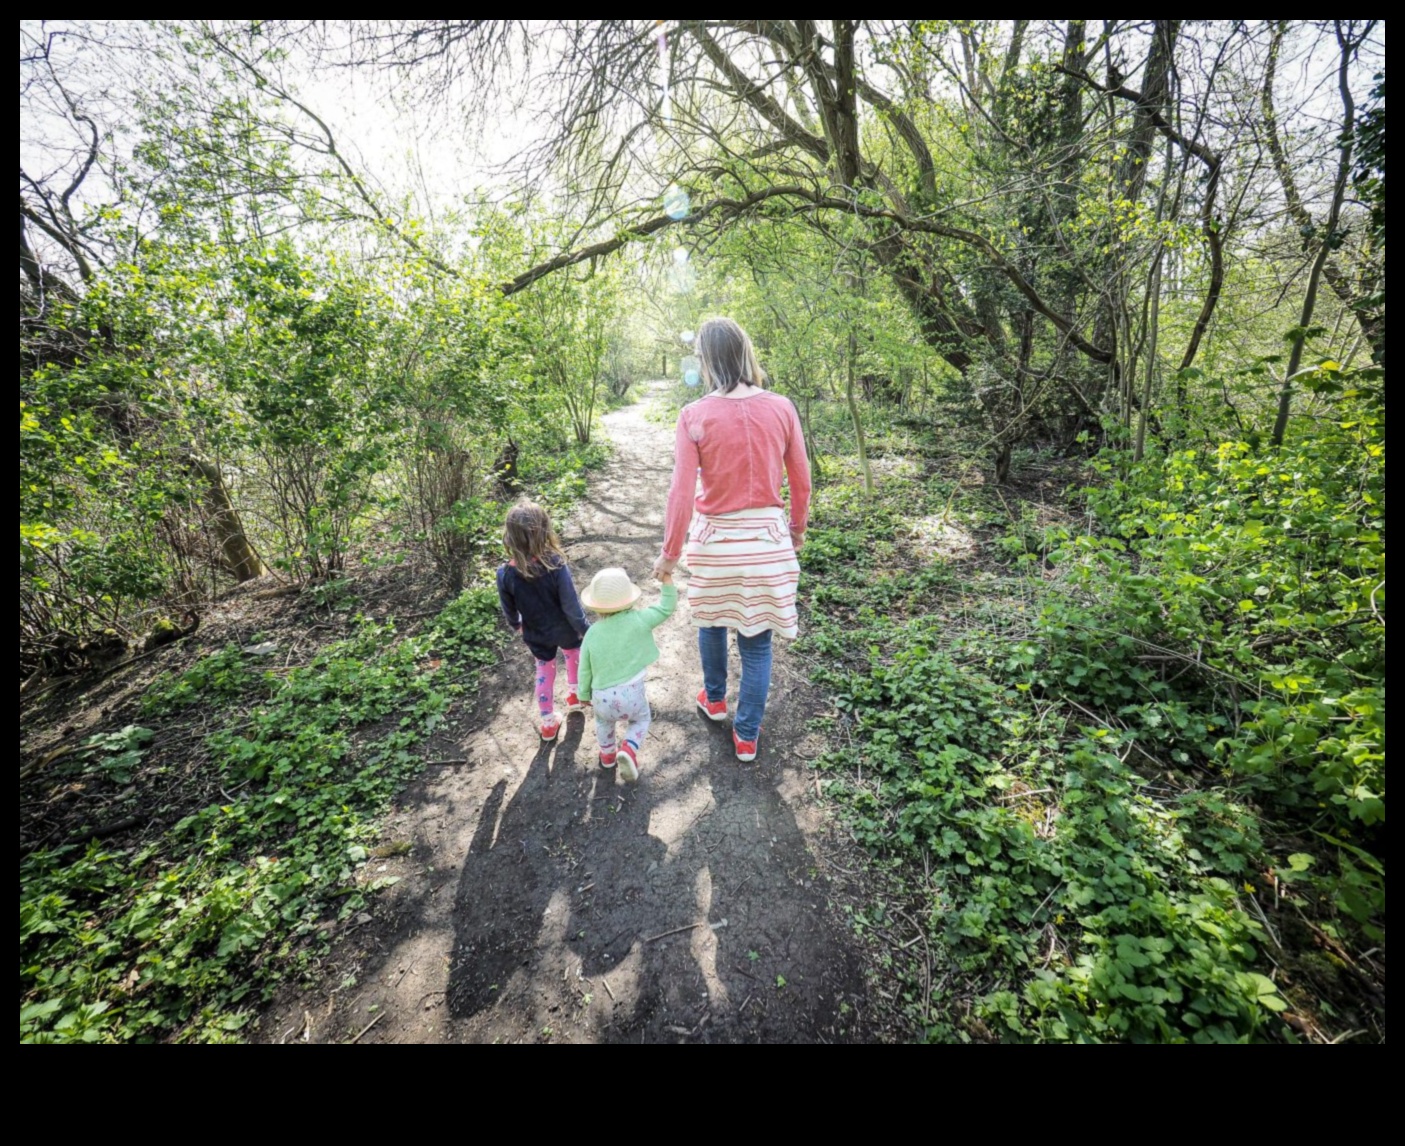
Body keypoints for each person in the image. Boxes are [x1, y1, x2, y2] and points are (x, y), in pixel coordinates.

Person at [652, 317, 811, 762]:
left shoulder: (694, 415)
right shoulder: (782, 407)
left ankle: (716, 699)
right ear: (746, 352)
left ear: (706, 360)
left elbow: (681, 492)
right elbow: (802, 482)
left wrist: (669, 555)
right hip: (766, 543)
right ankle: (746, 735)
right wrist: (796, 530)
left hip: (716, 545)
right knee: (757, 641)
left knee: (711, 623)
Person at [496, 501, 589, 742]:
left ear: (510, 537)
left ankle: (548, 722)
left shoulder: (505, 574)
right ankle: (575, 696)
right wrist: (584, 629)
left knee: (543, 671)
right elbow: (571, 605)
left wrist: (517, 625)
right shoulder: (556, 564)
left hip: (535, 631)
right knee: (573, 656)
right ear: (544, 532)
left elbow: (509, 609)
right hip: (565, 628)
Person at [577, 567, 677, 781]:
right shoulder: (640, 619)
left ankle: (607, 755)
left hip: (602, 697)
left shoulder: (592, 633)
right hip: (632, 695)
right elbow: (666, 608)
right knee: (641, 720)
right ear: (629, 600)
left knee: (604, 723)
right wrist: (666, 580)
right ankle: (629, 749)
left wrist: (583, 694)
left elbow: (584, 668)